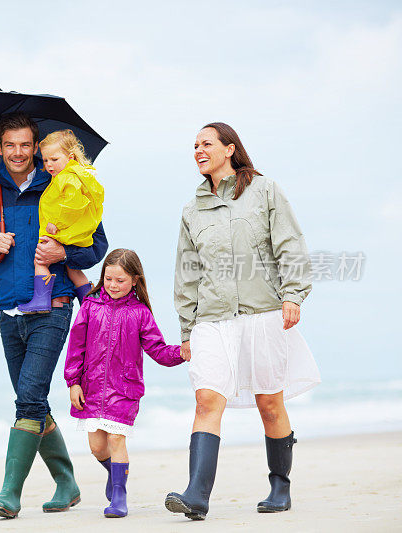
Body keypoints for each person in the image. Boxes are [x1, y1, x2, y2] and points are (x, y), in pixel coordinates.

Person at [0, 112, 108, 518]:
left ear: (36, 147)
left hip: (53, 308)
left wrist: (63, 254)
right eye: (10, 145)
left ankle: (9, 493)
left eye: (25, 145)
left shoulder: (65, 186)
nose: (18, 153)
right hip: (8, 311)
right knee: (30, 399)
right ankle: (67, 482)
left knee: (29, 398)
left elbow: (96, 247)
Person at [165, 122, 321, 520]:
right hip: (212, 319)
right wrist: (187, 330)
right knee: (206, 399)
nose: (198, 150)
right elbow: (187, 272)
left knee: (269, 403)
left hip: (263, 312)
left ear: (230, 148)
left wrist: (293, 294)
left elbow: (289, 242)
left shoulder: (264, 191)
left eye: (207, 143)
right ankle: (197, 495)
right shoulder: (191, 210)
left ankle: (279, 485)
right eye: (194, 145)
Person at [64, 248, 186, 518]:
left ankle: (119, 495)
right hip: (91, 388)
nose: (113, 285)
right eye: (109, 279)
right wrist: (73, 382)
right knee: (97, 447)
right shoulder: (90, 306)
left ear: (134, 280)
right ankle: (115, 473)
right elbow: (76, 348)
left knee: (117, 439)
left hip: (125, 389)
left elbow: (158, 350)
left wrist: (181, 353)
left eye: (120, 280)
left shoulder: (140, 313)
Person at [18, 130, 104, 313]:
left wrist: (56, 223)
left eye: (54, 160)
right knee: (72, 269)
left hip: (63, 232)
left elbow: (73, 203)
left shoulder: (67, 177)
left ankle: (41, 300)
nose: (49, 165)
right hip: (73, 233)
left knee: (40, 261)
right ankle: (91, 304)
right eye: (46, 160)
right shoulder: (71, 176)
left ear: (70, 156)